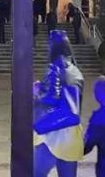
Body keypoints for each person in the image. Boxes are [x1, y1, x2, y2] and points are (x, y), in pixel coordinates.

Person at [33, 30, 85, 176]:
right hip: (72, 134)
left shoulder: (55, 68)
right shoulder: (76, 71)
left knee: (35, 173)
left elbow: (50, 98)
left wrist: (36, 92)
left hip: (53, 135)